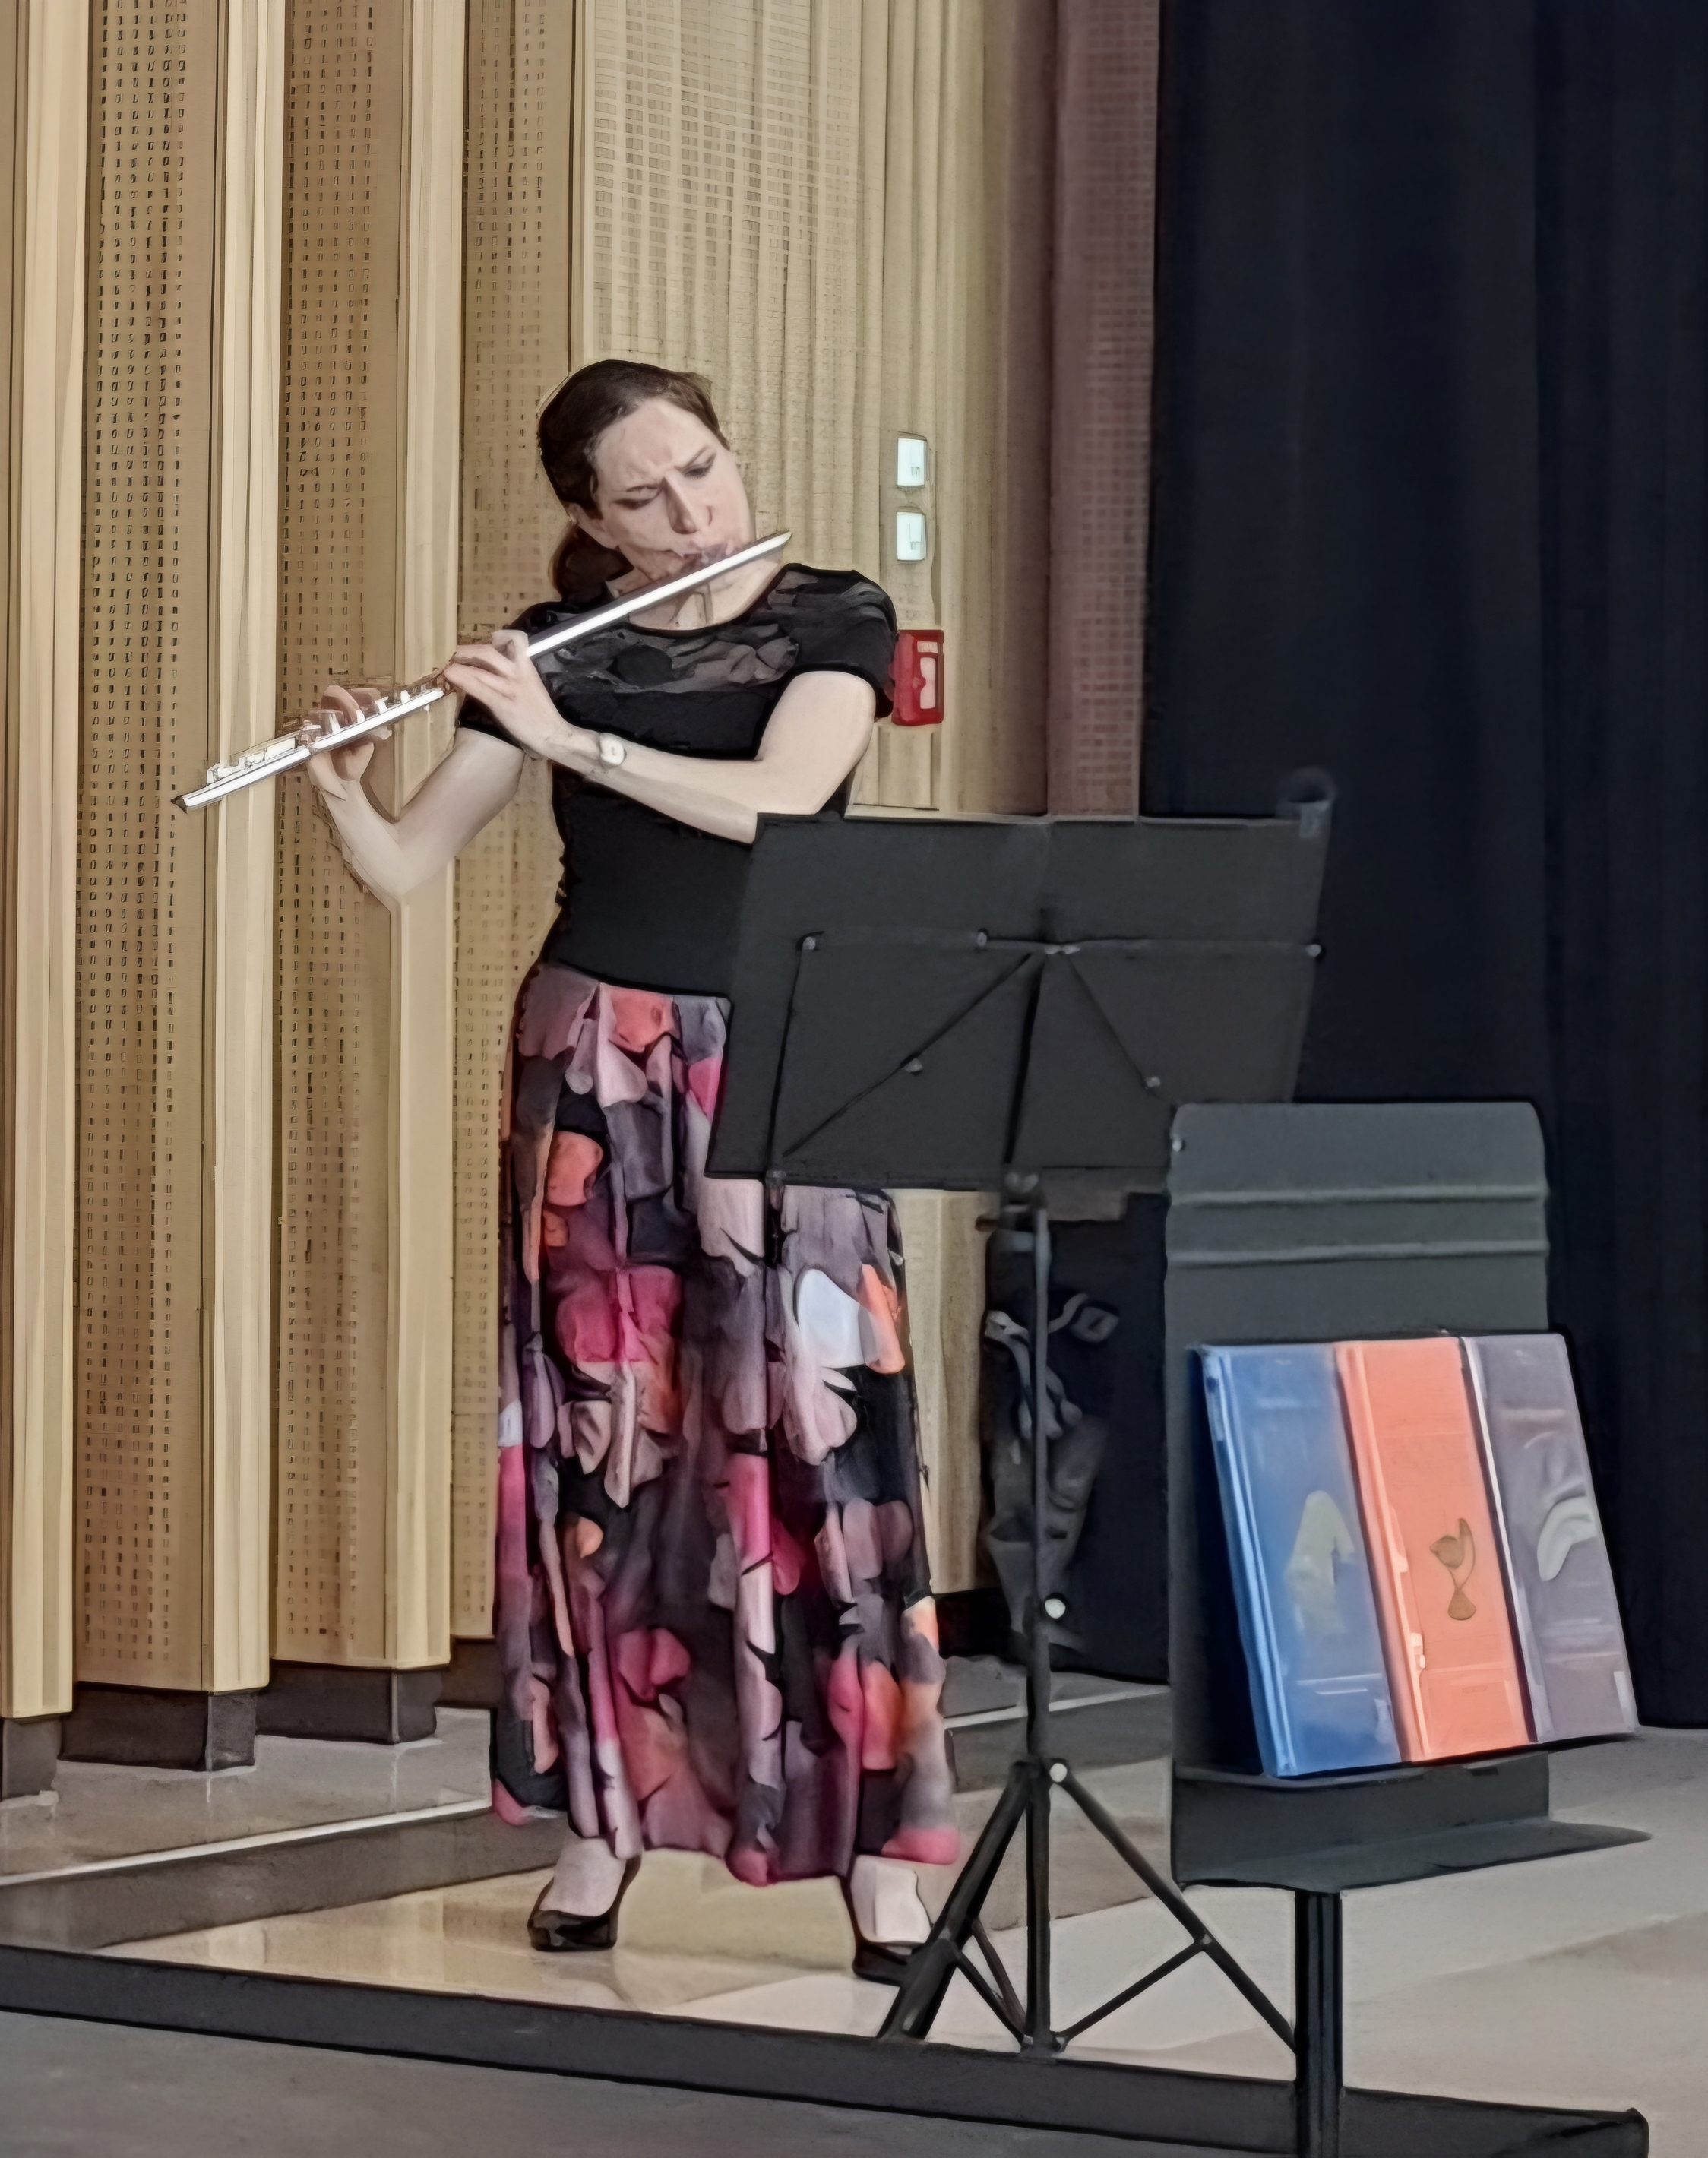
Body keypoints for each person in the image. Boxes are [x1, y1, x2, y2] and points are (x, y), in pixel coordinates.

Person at [303, 359, 958, 1979]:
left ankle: (876, 1852)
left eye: (703, 470)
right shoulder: (553, 646)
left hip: (787, 1050)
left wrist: (568, 737)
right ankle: (598, 1824)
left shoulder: (832, 617)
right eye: (646, 498)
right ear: (591, 523)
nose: (693, 513)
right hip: (593, 1058)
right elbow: (406, 868)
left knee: (816, 1432)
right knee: (606, 1444)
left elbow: (779, 803)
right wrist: (340, 792)